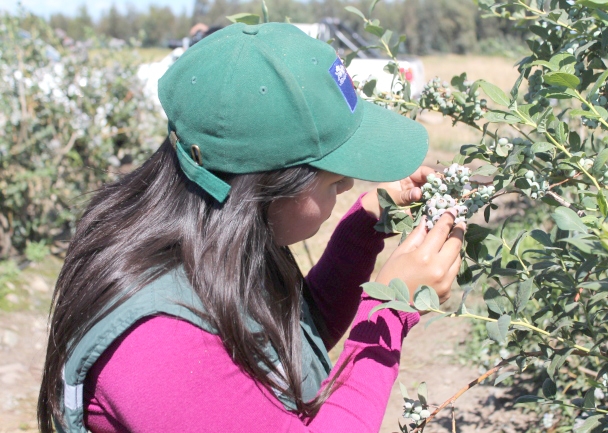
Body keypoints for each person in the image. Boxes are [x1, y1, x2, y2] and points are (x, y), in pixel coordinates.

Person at [38, 22, 465, 432]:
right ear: (266, 187)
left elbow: (291, 343)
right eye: (334, 178)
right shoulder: (155, 343)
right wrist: (390, 310)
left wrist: (365, 225)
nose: (350, 184)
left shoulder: (212, 235)